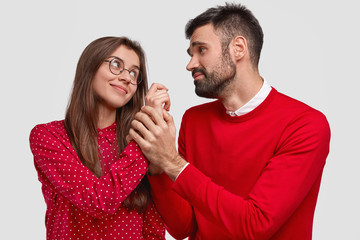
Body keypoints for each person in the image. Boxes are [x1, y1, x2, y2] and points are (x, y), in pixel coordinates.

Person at [129, 3, 331, 240]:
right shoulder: (194, 120)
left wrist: (171, 162)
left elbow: (256, 225)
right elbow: (182, 227)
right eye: (190, 54)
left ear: (238, 47)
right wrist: (157, 164)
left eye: (201, 50)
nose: (190, 64)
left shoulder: (305, 125)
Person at [29, 36, 167, 240]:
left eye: (134, 73)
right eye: (116, 65)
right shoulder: (49, 136)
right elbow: (98, 201)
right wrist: (144, 134)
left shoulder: (136, 142)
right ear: (90, 66)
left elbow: (153, 228)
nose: (127, 77)